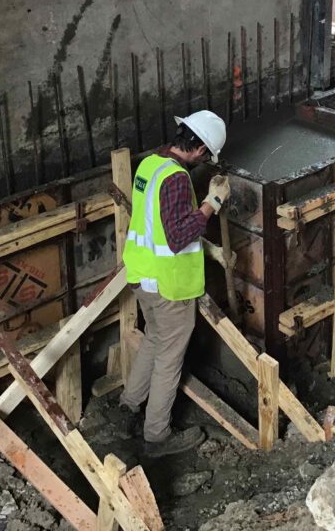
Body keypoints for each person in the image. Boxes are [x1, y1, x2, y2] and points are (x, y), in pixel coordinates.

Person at [117, 110, 230, 457]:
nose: (204, 162)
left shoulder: (150, 165)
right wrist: (213, 202)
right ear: (197, 149)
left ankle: (128, 405)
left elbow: (154, 224)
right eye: (207, 156)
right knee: (169, 357)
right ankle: (157, 435)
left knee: (154, 339)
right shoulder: (177, 179)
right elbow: (178, 235)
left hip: (141, 276)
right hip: (169, 285)